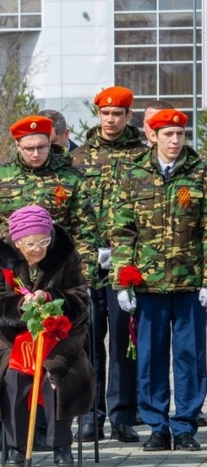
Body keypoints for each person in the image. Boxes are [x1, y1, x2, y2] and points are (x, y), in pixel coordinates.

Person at [110, 108, 207, 452]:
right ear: (153, 136)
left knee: (190, 357)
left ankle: (185, 426)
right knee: (150, 357)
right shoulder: (133, 174)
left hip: (188, 283)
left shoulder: (199, 174)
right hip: (147, 284)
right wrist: (122, 281)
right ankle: (157, 426)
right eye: (168, 134)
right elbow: (121, 232)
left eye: (180, 134)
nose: (175, 141)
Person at [0, 206, 92, 467]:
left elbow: (80, 297)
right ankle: (15, 446)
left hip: (61, 333)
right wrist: (22, 307)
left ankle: (61, 446)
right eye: (30, 244)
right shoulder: (1, 258)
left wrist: (52, 299)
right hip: (15, 336)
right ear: (17, 242)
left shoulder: (64, 253)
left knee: (56, 373)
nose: (37, 249)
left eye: (43, 241)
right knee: (14, 376)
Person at [70, 87, 144, 443]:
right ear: (98, 115)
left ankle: (123, 414)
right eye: (105, 113)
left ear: (129, 116)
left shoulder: (142, 156)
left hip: (127, 261)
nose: (111, 119)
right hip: (87, 262)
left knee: (124, 338)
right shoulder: (78, 159)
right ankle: (89, 415)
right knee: (87, 340)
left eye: (118, 113)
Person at [0, 116, 97, 279]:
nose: (36, 154)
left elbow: (85, 232)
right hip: (11, 273)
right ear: (17, 146)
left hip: (59, 271)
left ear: (49, 144)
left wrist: (85, 279)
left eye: (42, 147)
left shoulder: (70, 177)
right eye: (29, 148)